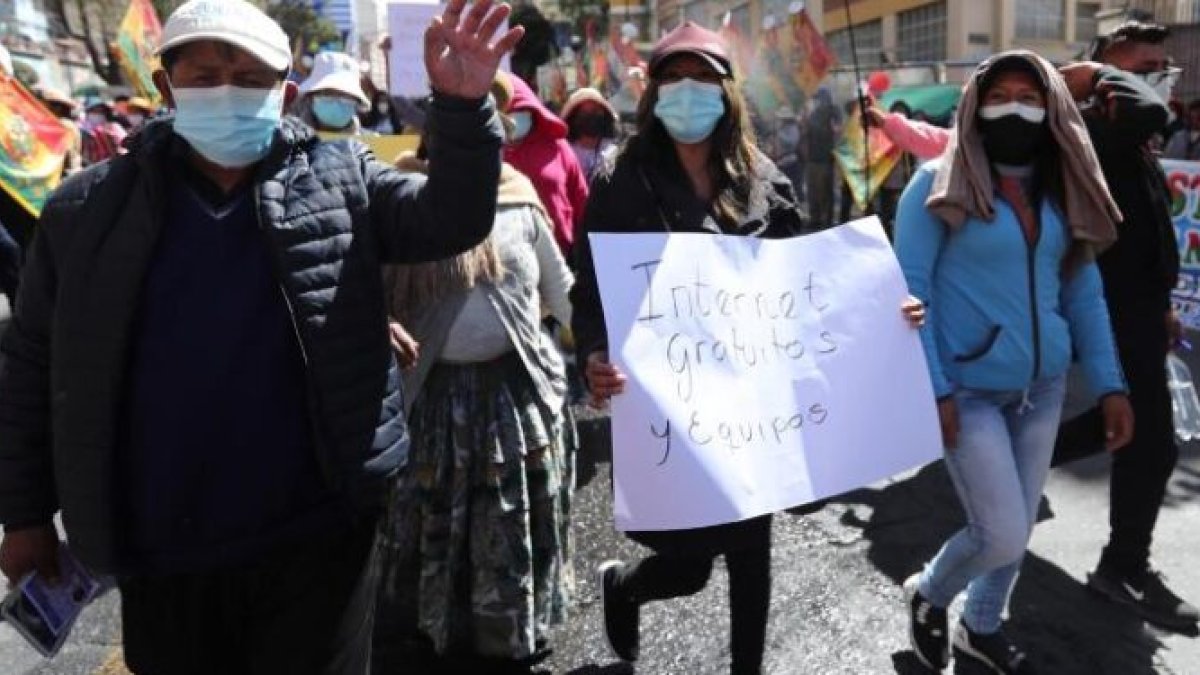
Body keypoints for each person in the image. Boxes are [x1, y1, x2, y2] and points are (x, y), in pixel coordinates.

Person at [0, 1, 522, 673]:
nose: (226, 90)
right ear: (166, 88)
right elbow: (32, 364)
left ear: (287, 93)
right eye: (206, 73)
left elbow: (450, 220)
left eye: (250, 77)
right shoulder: (86, 209)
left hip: (318, 536)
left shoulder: (344, 179)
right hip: (161, 545)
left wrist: (462, 108)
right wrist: (25, 514)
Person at [573, 22, 922, 675]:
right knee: (690, 564)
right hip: (668, 409)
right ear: (653, 94)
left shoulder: (765, 180)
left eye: (703, 78)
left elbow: (808, 286)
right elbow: (590, 287)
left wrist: (884, 314)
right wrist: (593, 350)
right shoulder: (620, 180)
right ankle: (627, 585)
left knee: (751, 547)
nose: (687, 93)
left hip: (750, 404)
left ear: (727, 92)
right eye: (673, 79)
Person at [896, 51, 1135, 674]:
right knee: (999, 529)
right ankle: (930, 592)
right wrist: (934, 391)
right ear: (975, 103)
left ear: (1052, 107)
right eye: (998, 94)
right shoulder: (935, 182)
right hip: (968, 390)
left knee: (1019, 527)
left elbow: (1083, 291)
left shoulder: (1064, 186)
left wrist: (1110, 384)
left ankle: (983, 624)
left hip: (1044, 388)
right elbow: (908, 292)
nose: (1014, 107)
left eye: (1030, 96)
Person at [373, 80, 576, 671]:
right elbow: (360, 286)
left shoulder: (519, 199)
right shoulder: (399, 201)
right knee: (427, 520)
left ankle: (507, 636)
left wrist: (600, 338)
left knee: (507, 522)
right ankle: (428, 632)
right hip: (428, 399)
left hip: (512, 399)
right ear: (433, 134)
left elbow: (561, 291)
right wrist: (378, 318)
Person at [1058, 20, 1200, 632]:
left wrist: (1165, 302)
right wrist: (1101, 79)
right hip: (1105, 304)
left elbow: (1147, 219)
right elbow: (1150, 115)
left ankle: (1025, 454)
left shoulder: (1123, 124)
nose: (1154, 83)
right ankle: (1123, 567)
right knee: (1152, 444)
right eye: (1139, 70)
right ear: (1102, 71)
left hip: (1142, 303)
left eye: (1160, 70)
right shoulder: (1088, 125)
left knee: (1119, 425)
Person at [501, 73, 589, 256]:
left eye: (520, 109)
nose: (514, 117)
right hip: (509, 261)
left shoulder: (558, 147)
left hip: (564, 256)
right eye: (507, 111)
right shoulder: (485, 153)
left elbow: (582, 203)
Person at [297, 51, 371, 134]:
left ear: (357, 101)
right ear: (311, 97)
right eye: (328, 93)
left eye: (345, 96)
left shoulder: (372, 144)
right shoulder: (289, 141)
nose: (337, 102)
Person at [561, 86, 620, 181]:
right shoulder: (565, 153)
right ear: (573, 118)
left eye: (595, 111)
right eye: (584, 113)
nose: (590, 117)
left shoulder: (615, 151)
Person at [805, 86, 841, 230]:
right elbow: (807, 134)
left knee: (825, 191)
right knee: (812, 190)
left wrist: (834, 128)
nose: (820, 101)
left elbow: (838, 128)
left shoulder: (833, 111)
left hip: (826, 158)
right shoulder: (813, 114)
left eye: (821, 98)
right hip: (813, 158)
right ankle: (815, 218)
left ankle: (827, 220)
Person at [79, 100, 127, 165]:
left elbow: (124, 146)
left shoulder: (114, 127)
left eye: (101, 112)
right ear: (87, 113)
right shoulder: (81, 131)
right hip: (90, 169)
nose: (98, 114)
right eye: (94, 111)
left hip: (113, 166)